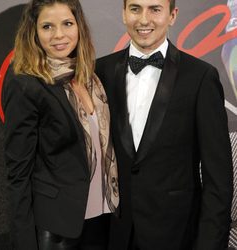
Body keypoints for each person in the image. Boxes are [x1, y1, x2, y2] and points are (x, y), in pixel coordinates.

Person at [95, 0, 233, 249]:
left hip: (177, 236)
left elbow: (218, 179)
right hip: (113, 234)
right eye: (135, 9)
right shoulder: (99, 71)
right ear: (124, 14)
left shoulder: (201, 77)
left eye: (155, 9)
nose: (144, 19)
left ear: (172, 16)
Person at [3, 0, 119, 249]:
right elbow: (18, 174)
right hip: (57, 230)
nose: (59, 35)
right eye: (47, 26)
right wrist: (23, 242)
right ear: (34, 32)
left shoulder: (90, 78)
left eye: (67, 23)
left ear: (79, 27)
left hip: (101, 217)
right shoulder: (26, 84)